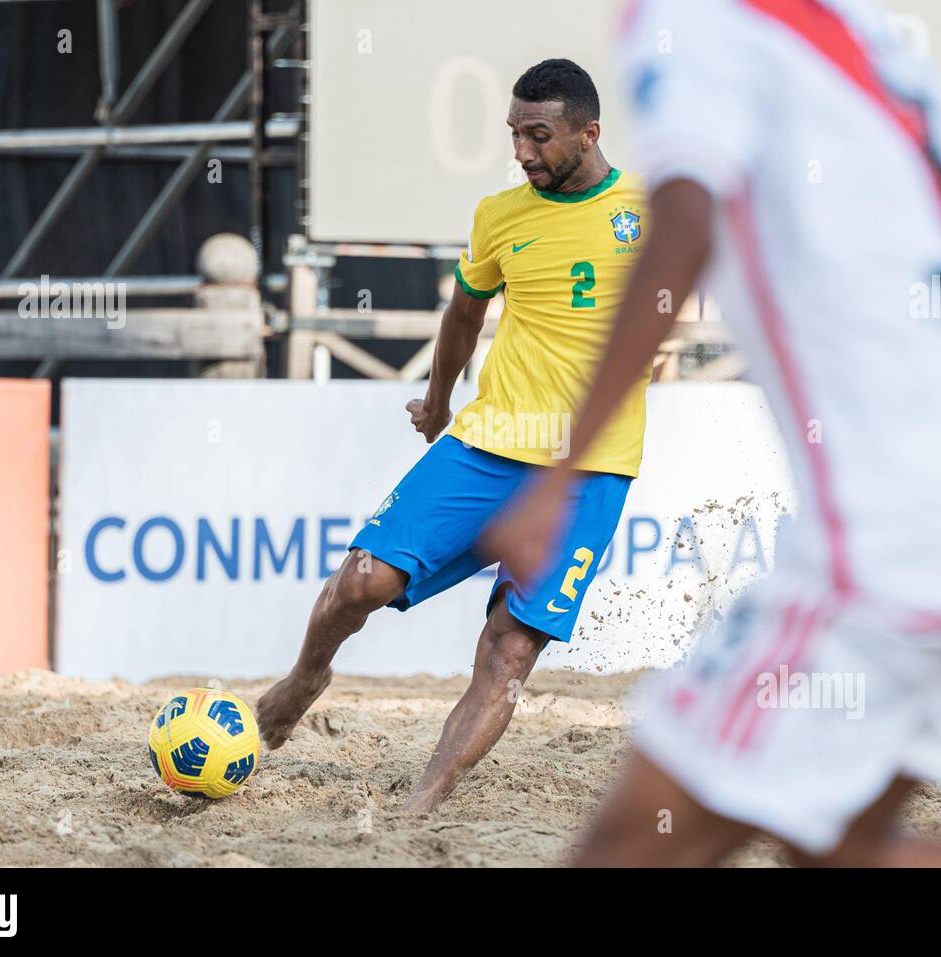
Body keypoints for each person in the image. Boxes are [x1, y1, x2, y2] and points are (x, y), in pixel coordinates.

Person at [484, 0, 941, 865]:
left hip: (884, 536)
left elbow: (684, 228)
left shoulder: (694, 18)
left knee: (624, 852)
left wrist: (556, 474)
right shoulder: (870, 39)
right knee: (839, 849)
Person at [256, 59, 651, 813]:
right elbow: (463, 314)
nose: (523, 152)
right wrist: (437, 404)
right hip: (492, 442)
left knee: (507, 652)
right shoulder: (500, 216)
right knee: (364, 579)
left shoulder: (648, 212)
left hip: (590, 469)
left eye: (539, 136)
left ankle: (418, 809)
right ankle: (308, 673)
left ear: (588, 133)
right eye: (514, 135)